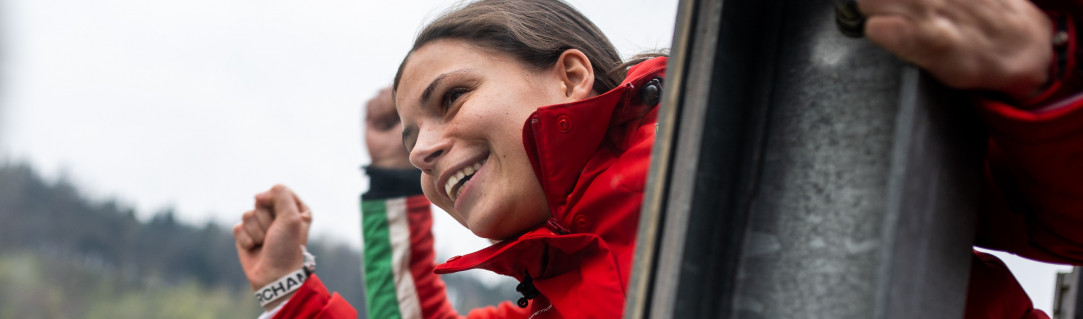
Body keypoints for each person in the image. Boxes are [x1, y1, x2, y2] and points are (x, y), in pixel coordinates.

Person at [232, 0, 1083, 318]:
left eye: (449, 98)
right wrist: (288, 286)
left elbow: (1064, 224)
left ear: (568, 74)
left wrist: (1041, 76)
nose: (421, 147)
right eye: (411, 137)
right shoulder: (548, 300)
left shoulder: (783, 119)